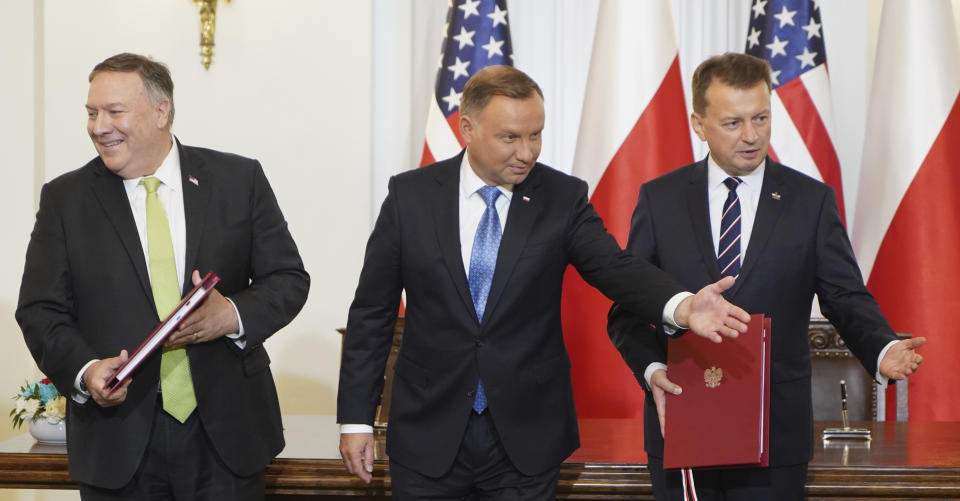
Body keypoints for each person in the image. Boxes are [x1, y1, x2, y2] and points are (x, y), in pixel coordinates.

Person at [337, 65, 752, 499]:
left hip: (524, 439)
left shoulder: (561, 197)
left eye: (535, 135)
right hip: (427, 433)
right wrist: (356, 419)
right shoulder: (411, 196)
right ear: (467, 128)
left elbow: (614, 266)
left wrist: (681, 306)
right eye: (510, 137)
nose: (526, 152)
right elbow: (372, 313)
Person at [607, 52, 925, 501]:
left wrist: (883, 346)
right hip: (681, 422)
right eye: (733, 123)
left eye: (761, 117)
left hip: (774, 437)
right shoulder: (660, 201)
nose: (752, 136)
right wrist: (653, 369)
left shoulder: (810, 201)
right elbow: (626, 310)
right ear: (699, 124)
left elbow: (844, 295)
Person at [16, 52, 310, 500]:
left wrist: (229, 315)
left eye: (114, 111)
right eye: (91, 113)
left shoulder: (238, 179)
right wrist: (86, 370)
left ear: (161, 111)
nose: (99, 126)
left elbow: (288, 278)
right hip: (118, 443)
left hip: (228, 439)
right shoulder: (65, 200)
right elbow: (41, 311)